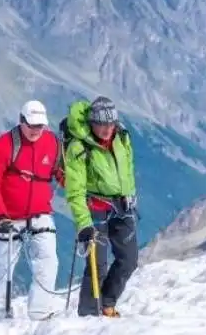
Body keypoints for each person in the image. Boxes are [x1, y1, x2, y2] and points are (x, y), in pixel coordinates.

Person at [0, 99, 63, 320]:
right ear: (21, 121)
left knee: (49, 259)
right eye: (32, 125)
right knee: (5, 264)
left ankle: (39, 310)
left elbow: (59, 173)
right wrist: (0, 215)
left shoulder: (53, 143)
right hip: (9, 216)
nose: (37, 130)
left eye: (41, 126)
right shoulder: (4, 145)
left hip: (41, 212)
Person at [63, 96, 138, 318]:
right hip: (95, 209)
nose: (107, 129)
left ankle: (107, 302)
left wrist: (131, 195)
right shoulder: (79, 147)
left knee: (129, 260)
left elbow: (128, 169)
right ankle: (88, 314)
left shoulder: (122, 138)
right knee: (98, 265)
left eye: (110, 124)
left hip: (123, 207)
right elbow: (74, 191)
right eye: (101, 125)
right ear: (92, 123)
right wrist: (83, 224)